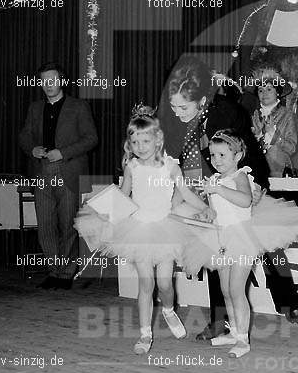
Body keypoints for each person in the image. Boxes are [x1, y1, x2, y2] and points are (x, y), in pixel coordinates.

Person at [158, 57, 298, 340]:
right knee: (216, 252)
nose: (177, 112)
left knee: (268, 248)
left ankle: (292, 308)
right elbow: (182, 155)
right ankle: (221, 321)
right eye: (174, 106)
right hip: (210, 190)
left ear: (203, 99)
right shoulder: (184, 116)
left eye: (183, 107)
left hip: (242, 185)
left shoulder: (225, 112)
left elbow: (244, 153)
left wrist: (248, 187)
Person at [75, 109, 213, 354]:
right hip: (138, 229)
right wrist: (106, 214)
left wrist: (204, 208)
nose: (140, 146)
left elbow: (187, 193)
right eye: (135, 141)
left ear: (157, 140)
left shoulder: (170, 167)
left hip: (165, 229)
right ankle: (145, 334)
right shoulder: (132, 166)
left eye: (145, 141)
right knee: (146, 283)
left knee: (164, 283)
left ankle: (169, 310)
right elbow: (124, 195)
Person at [182, 129, 298, 358]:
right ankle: (234, 331)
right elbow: (215, 211)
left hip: (242, 240)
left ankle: (243, 340)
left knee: (237, 290)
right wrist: (205, 214)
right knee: (226, 290)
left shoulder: (240, 176)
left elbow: (244, 200)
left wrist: (218, 188)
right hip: (221, 241)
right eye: (212, 155)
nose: (216, 160)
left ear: (237, 156)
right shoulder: (214, 180)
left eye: (222, 155)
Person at [18, 62, 98, 289]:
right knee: (45, 225)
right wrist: (32, 149)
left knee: (67, 224)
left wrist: (62, 153)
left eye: (52, 80)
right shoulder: (34, 108)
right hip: (42, 171)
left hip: (68, 170)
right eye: (44, 81)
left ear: (61, 80)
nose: (48, 85)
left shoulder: (79, 106)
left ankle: (66, 274)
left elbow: (91, 138)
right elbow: (24, 136)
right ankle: (54, 271)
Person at [249, 67, 297, 177]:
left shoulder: (288, 115)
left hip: (280, 169)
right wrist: (256, 136)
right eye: (261, 90)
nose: (264, 93)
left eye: (269, 89)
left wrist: (273, 135)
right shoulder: (254, 116)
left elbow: (291, 148)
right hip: (256, 171)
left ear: (278, 92)